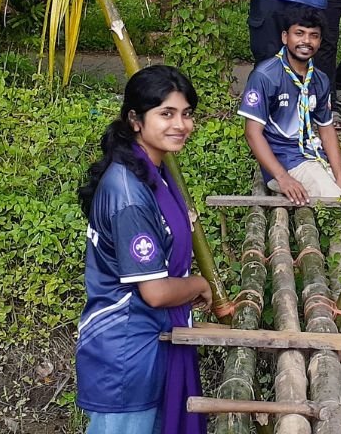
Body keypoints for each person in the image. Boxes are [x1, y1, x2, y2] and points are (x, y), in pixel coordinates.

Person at [76, 65, 211, 434]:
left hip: (149, 342)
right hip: (127, 352)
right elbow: (154, 292)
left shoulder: (151, 171)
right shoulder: (129, 192)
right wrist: (199, 285)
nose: (181, 125)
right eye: (166, 114)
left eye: (186, 114)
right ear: (135, 120)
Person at [237, 6, 341, 280]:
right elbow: (252, 133)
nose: (306, 41)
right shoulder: (266, 75)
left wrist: (340, 177)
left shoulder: (319, 78)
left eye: (313, 35)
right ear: (285, 37)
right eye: (299, 33)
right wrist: (282, 178)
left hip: (313, 158)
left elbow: (327, 130)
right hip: (286, 163)